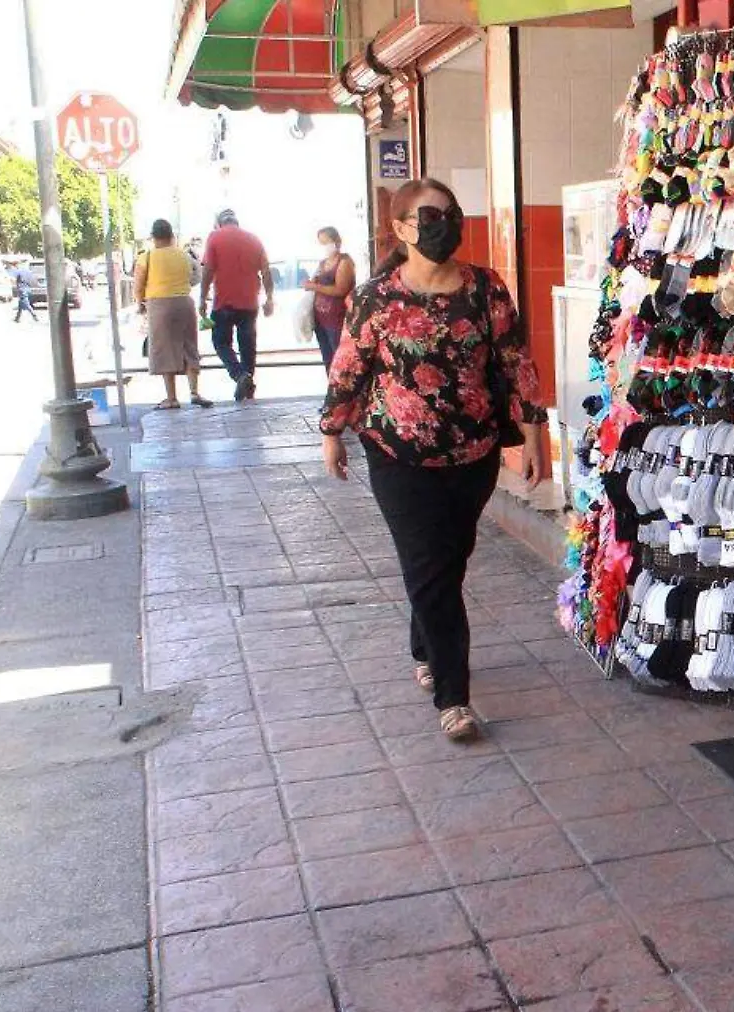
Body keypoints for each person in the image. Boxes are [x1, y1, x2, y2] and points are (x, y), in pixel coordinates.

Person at [320, 177, 547, 742]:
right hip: (397, 455)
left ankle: (424, 645)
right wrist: (333, 430)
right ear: (401, 229)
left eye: (450, 215)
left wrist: (535, 436)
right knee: (429, 566)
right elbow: (349, 366)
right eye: (429, 217)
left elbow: (516, 361)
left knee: (449, 560)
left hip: (473, 454)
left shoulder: (485, 289)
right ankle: (454, 697)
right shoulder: (376, 296)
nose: (443, 226)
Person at [134, 219, 213, 411]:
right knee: (189, 346)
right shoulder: (184, 255)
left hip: (159, 305)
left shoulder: (147, 257)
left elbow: (138, 285)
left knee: (164, 350)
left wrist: (140, 304)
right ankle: (194, 393)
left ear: (153, 237)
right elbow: (196, 277)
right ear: (171, 236)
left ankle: (171, 398)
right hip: (184, 303)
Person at [198, 208, 272, 401]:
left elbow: (208, 271)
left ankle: (240, 375)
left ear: (219, 223)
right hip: (249, 302)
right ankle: (248, 386)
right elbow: (266, 271)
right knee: (248, 345)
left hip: (224, 302)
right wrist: (270, 298)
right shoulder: (254, 239)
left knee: (221, 342)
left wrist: (202, 298)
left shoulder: (214, 237)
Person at [302, 226, 356, 368]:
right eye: (321, 243)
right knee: (328, 359)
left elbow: (340, 289)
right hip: (321, 319)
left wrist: (315, 287)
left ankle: (341, 389)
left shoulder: (344, 262)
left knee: (340, 359)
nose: (324, 247)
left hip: (337, 319)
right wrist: (311, 283)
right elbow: (316, 280)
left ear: (337, 241)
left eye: (326, 242)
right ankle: (332, 388)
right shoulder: (323, 263)